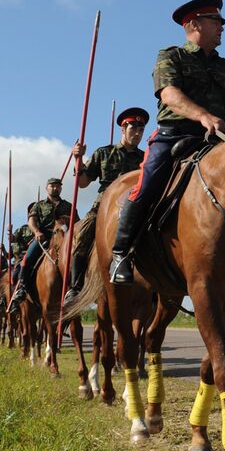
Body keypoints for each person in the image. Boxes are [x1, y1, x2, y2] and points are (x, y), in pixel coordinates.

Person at [109, 0, 225, 285]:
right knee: (147, 185)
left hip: (217, 139)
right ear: (194, 24)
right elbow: (170, 95)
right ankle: (122, 254)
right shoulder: (171, 56)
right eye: (216, 20)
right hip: (175, 135)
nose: (222, 26)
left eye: (221, 21)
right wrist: (203, 115)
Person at [61, 107, 148, 308]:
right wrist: (78, 159)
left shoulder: (146, 158)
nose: (137, 133)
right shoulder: (104, 153)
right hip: (105, 206)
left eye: (141, 129)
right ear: (123, 129)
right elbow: (83, 182)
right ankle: (74, 287)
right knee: (83, 235)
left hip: (136, 204)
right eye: (133, 128)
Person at [10, 178, 77, 309]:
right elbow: (31, 221)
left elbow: (77, 223)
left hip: (65, 237)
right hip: (44, 236)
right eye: (52, 186)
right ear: (47, 188)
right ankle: (22, 288)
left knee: (80, 256)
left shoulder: (68, 206)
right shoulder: (39, 205)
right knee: (27, 258)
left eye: (58, 186)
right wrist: (36, 232)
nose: (55, 188)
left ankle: (79, 287)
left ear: (61, 188)